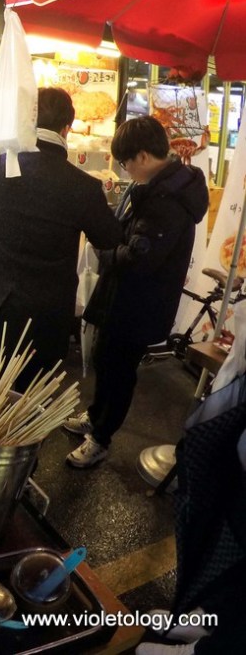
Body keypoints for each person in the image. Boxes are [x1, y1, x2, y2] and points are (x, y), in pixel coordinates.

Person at [0, 87, 122, 392]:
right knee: (25, 402)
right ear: (67, 129)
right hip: (42, 317)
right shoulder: (83, 187)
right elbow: (109, 238)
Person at [64, 115, 208, 468]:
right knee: (105, 358)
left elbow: (139, 259)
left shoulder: (168, 200)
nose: (126, 170)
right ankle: (97, 416)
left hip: (140, 302)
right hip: (126, 297)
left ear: (143, 156)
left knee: (119, 368)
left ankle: (100, 438)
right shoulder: (159, 187)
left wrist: (103, 250)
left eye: (127, 162)